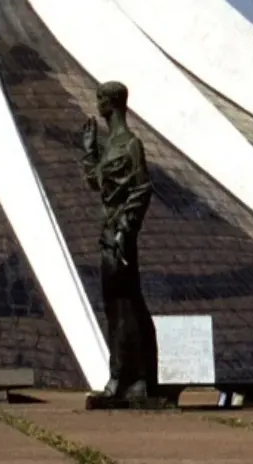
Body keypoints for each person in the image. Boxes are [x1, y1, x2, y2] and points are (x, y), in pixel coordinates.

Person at [79, 80, 157, 403]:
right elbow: (97, 184)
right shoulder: (111, 145)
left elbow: (142, 189)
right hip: (108, 235)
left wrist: (127, 228)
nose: (96, 104)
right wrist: (90, 150)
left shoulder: (130, 144)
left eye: (100, 99)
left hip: (121, 236)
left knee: (127, 306)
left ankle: (133, 379)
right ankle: (120, 377)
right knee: (114, 308)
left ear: (111, 103)